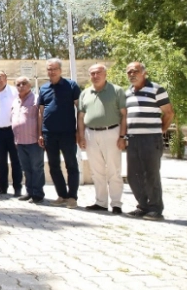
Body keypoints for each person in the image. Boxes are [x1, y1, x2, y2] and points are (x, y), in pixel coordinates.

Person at [124, 62, 174, 221]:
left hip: (151, 139)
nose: (132, 74)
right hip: (132, 139)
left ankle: (155, 209)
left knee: (151, 174)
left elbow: (169, 113)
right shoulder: (128, 93)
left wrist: (161, 130)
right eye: (129, 72)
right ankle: (143, 206)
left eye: (135, 71)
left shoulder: (156, 89)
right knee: (133, 175)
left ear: (144, 73)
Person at [77, 64, 127, 214]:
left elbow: (124, 115)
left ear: (105, 74)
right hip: (90, 134)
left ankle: (116, 203)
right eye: (92, 73)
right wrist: (81, 136)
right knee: (96, 171)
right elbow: (80, 117)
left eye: (98, 73)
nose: (95, 76)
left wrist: (122, 136)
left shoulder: (116, 91)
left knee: (114, 170)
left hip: (111, 132)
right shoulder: (85, 93)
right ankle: (101, 202)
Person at [38, 58, 81, 209]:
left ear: (60, 70)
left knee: (71, 165)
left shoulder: (71, 85)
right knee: (54, 166)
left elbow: (79, 109)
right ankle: (62, 195)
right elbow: (41, 113)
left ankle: (72, 197)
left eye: (54, 69)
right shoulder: (43, 88)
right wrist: (40, 133)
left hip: (68, 133)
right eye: (49, 69)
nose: (52, 71)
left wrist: (79, 131)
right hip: (49, 134)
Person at [0, 71, 22, 196]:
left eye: (0, 77)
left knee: (15, 160)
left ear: (6, 79)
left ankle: (17, 188)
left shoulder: (14, 91)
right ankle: (2, 187)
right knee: (0, 161)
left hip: (12, 131)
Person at [10, 76, 45, 203]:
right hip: (20, 141)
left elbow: (42, 118)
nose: (21, 86)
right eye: (18, 84)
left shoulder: (36, 99)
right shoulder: (15, 101)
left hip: (34, 141)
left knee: (36, 168)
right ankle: (29, 192)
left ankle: (38, 194)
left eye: (24, 83)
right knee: (26, 168)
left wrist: (41, 135)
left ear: (30, 85)